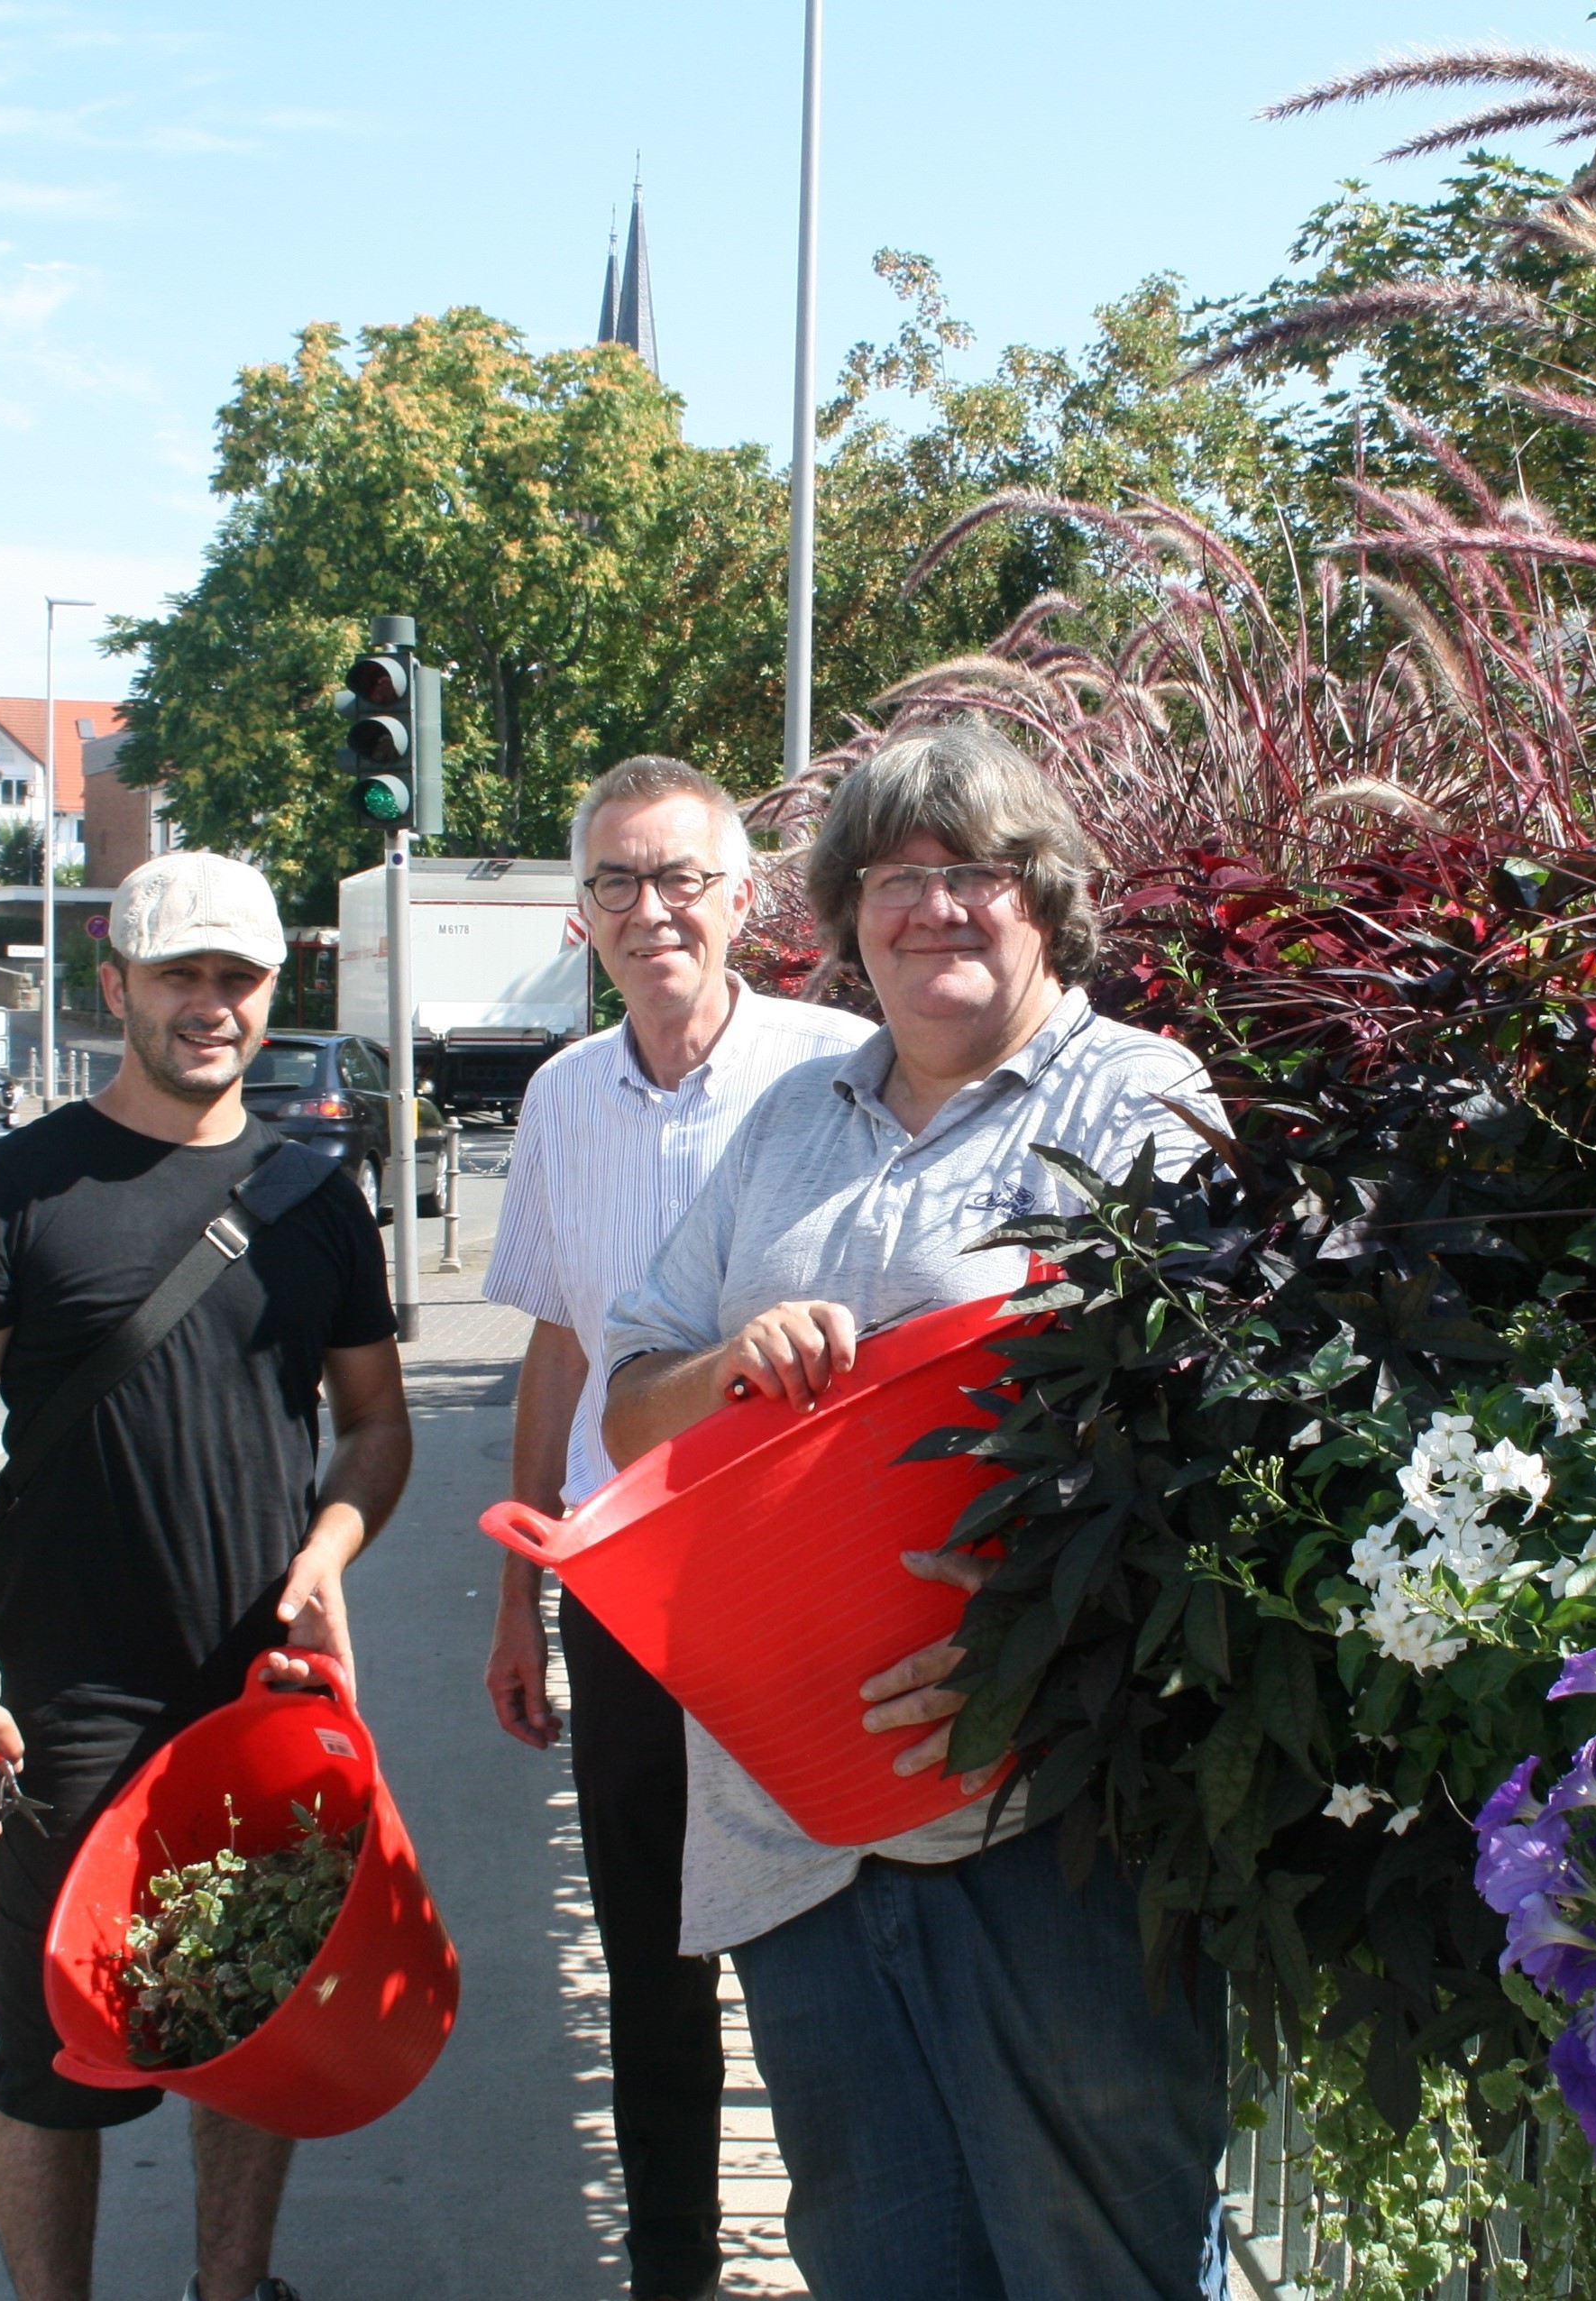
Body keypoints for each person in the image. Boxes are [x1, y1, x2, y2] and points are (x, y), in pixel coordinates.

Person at [601, 724, 1232, 2301]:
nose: (936, 907)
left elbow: (1222, 1428)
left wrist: (1033, 1637)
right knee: (882, 2260)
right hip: (792, 1830)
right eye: (898, 877)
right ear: (846, 908)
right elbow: (629, 1401)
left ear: (1047, 901)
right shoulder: (792, 1117)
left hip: (1035, 1815)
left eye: (978, 874)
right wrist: (727, 1367)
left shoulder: (1134, 1097)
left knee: (1103, 2262)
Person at [0, 850, 410, 2301]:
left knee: (260, 2026)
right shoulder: (17, 1187)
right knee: (54, 2061)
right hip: (67, 1701)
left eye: (236, 978)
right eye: (180, 974)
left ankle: (227, 2296)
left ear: (269, 992)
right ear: (115, 984)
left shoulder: (316, 1200)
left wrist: (329, 1544)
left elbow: (375, 1428)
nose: (210, 1005)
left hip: (261, 1692)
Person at [481, 753, 872, 2301]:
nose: (652, 912)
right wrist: (518, 1598)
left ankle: (862, 2247)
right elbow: (560, 1348)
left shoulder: (835, 1067)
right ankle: (672, 2268)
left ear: (745, 900)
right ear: (581, 916)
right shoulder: (563, 1095)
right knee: (650, 1953)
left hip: (790, 1578)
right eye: (616, 884)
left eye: (682, 880)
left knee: (814, 1933)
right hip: (621, 1583)